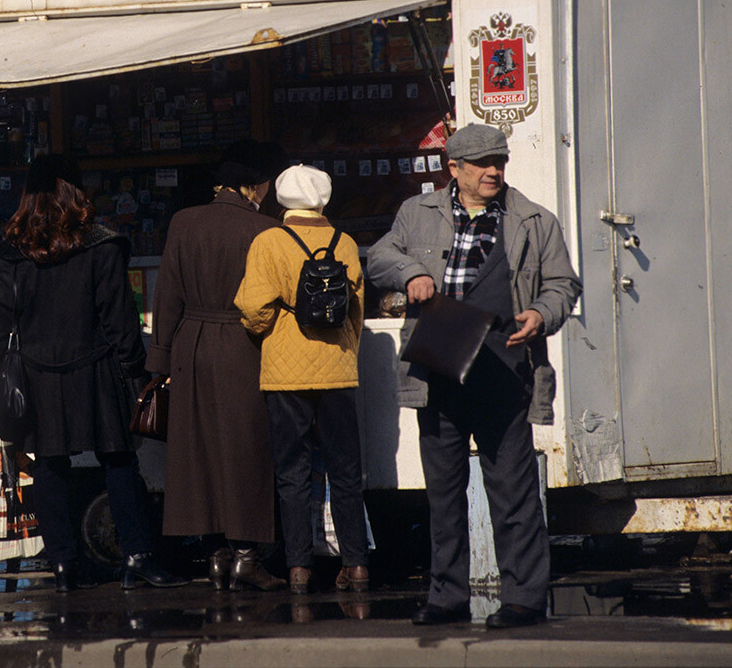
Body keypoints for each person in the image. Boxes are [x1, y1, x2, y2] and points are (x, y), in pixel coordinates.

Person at [366, 123, 581, 629]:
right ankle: (446, 596)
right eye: (482, 163)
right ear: (453, 169)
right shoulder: (416, 214)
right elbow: (379, 256)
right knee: (443, 492)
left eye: (499, 162)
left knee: (513, 490)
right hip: (439, 366)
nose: (492, 171)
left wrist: (542, 315)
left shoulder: (533, 220)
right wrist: (410, 275)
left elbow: (562, 284)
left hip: (504, 369)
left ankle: (524, 599)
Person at [0, 154, 186, 593]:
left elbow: (0, 328)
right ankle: (137, 556)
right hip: (97, 370)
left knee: (49, 467)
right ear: (76, 191)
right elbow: (119, 320)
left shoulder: (11, 253)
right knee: (118, 460)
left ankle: (62, 564)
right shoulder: (102, 244)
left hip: (36, 375)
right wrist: (138, 373)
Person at [148, 141, 286, 591]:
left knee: (197, 452)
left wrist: (160, 360)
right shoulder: (264, 229)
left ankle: (215, 557)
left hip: (190, 345)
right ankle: (247, 556)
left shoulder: (183, 222)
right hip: (243, 346)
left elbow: (167, 295)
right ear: (255, 185)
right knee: (245, 450)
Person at [235, 165, 369, 595]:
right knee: (346, 470)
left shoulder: (269, 241)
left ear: (281, 198)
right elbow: (357, 308)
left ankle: (298, 569)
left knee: (292, 472)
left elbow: (253, 308)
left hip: (284, 374)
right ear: (322, 199)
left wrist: (274, 330)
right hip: (337, 369)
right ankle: (356, 565)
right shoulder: (343, 242)